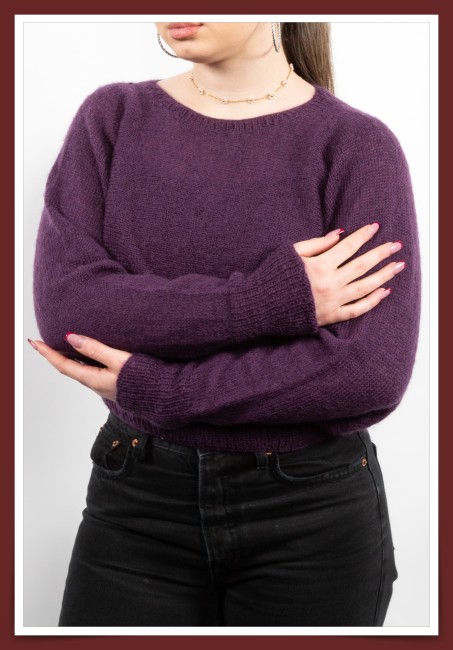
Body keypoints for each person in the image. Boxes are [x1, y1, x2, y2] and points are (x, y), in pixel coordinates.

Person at [29, 22, 421, 627]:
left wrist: (164, 390)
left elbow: (369, 371)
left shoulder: (356, 145)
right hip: (136, 500)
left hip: (311, 515)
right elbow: (71, 311)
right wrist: (268, 300)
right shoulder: (113, 118)